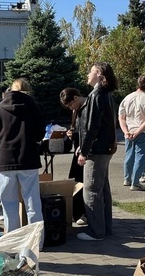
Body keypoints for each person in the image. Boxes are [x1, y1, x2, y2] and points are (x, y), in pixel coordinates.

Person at [61, 62, 119, 241]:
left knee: (92, 190)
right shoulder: (106, 95)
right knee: (103, 190)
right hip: (105, 148)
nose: (87, 74)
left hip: (96, 150)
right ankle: (106, 228)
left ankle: (96, 231)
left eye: (91, 71)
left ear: (100, 75)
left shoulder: (96, 95)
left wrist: (84, 151)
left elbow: (92, 127)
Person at [0, 78, 45, 237]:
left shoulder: (0, 108)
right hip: (28, 159)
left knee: (9, 205)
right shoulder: (32, 106)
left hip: (6, 160)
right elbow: (40, 133)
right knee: (32, 202)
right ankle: (36, 241)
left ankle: (13, 240)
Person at [119, 75, 145, 191]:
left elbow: (121, 117)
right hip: (143, 132)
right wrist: (139, 131)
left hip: (129, 131)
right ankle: (135, 183)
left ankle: (127, 179)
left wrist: (126, 131)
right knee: (140, 157)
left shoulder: (127, 98)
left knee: (129, 155)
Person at [58, 87, 86, 225]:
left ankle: (84, 213)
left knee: (83, 183)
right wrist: (71, 133)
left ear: (76, 98)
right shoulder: (76, 110)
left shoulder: (86, 107)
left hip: (85, 152)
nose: (70, 108)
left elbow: (88, 131)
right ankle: (76, 212)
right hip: (77, 150)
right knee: (75, 181)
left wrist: (75, 135)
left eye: (70, 105)